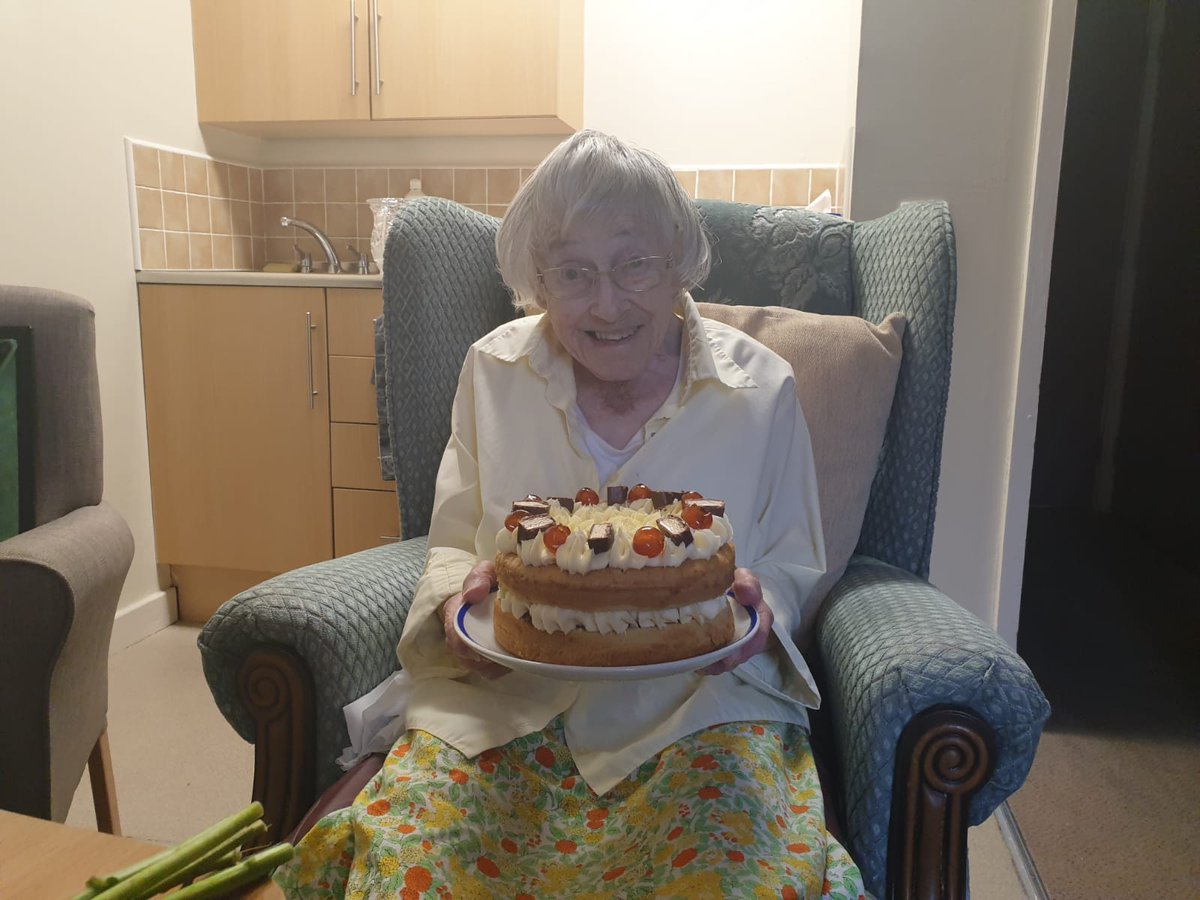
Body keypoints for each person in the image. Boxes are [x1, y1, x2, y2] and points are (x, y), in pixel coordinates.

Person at [275, 130, 865, 898]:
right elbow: (450, 540)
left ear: (679, 263)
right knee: (413, 877)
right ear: (537, 281)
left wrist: (764, 606)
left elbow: (792, 557)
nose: (607, 304)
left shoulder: (763, 387)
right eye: (573, 272)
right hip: (499, 711)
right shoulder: (493, 369)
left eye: (635, 264)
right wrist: (456, 603)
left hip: (700, 713)